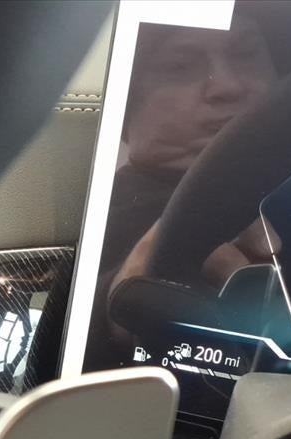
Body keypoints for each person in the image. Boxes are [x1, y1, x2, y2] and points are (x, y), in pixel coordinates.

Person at [85, 13, 277, 369]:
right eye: (180, 67)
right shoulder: (100, 217)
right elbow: (75, 328)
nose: (228, 86)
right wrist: (117, 306)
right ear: (125, 103)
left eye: (246, 54)